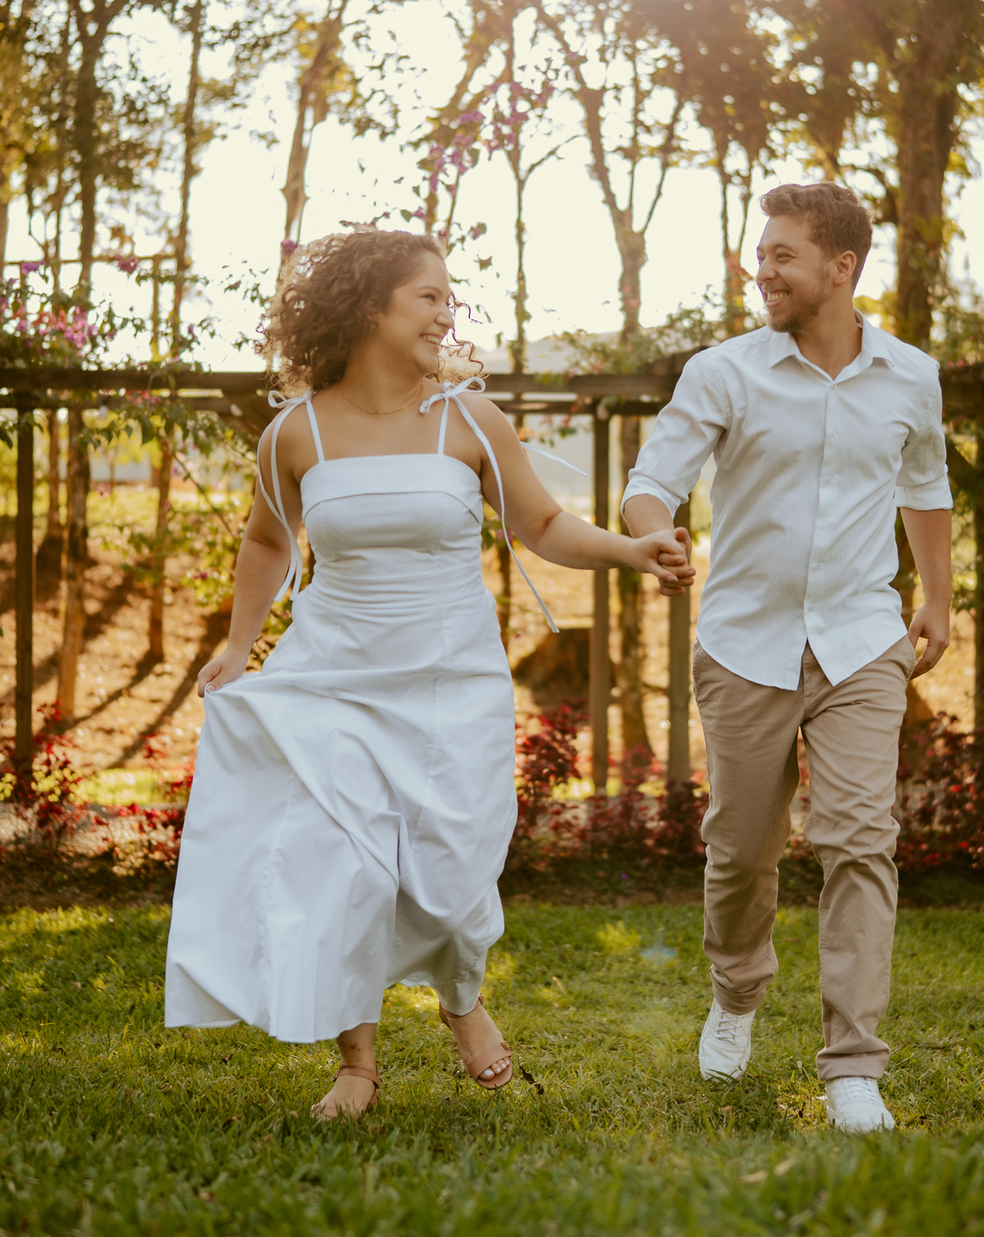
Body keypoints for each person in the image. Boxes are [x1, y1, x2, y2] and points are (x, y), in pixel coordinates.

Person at [164, 227, 693, 1120]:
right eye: (430, 296)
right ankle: (357, 1064)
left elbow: (541, 525)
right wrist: (237, 643)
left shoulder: (469, 421)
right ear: (370, 307)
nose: (448, 313)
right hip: (332, 676)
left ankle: (460, 997)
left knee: (451, 868)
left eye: (450, 298)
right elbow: (266, 541)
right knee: (346, 864)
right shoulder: (295, 433)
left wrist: (631, 550)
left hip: (450, 678)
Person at [622, 182, 952, 1133]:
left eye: (780, 256)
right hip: (745, 644)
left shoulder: (910, 376)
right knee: (741, 851)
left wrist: (937, 600)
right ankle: (736, 994)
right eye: (759, 253)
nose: (760, 270)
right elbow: (652, 482)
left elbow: (925, 488)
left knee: (862, 841)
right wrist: (654, 535)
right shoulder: (724, 372)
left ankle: (853, 1067)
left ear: (841, 269)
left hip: (862, 639)